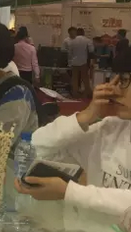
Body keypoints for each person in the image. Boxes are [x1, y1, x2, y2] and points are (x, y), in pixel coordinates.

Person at [14, 50, 131, 217]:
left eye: (124, 81)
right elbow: (36, 147)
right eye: (115, 79)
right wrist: (86, 116)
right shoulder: (109, 129)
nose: (114, 89)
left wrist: (69, 192)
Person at [62, 26, 94, 98]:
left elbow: (69, 53)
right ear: (83, 33)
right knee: (85, 78)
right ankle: (88, 93)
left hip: (74, 62)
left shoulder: (72, 41)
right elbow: (91, 50)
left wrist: (70, 61)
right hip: (83, 62)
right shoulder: (87, 40)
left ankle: (75, 93)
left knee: (75, 79)